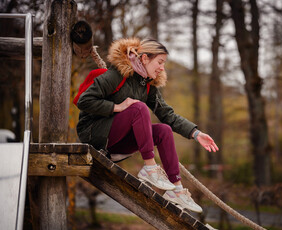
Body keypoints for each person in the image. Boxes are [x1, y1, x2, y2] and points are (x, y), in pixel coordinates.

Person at [76, 38, 219, 213]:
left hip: (116, 143)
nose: (162, 68)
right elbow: (84, 100)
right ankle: (150, 169)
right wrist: (117, 107)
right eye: (160, 62)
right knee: (138, 108)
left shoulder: (147, 86)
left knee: (163, 130)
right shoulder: (116, 75)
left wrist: (196, 134)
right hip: (93, 134)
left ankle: (177, 189)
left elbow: (168, 115)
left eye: (164, 64)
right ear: (144, 59)